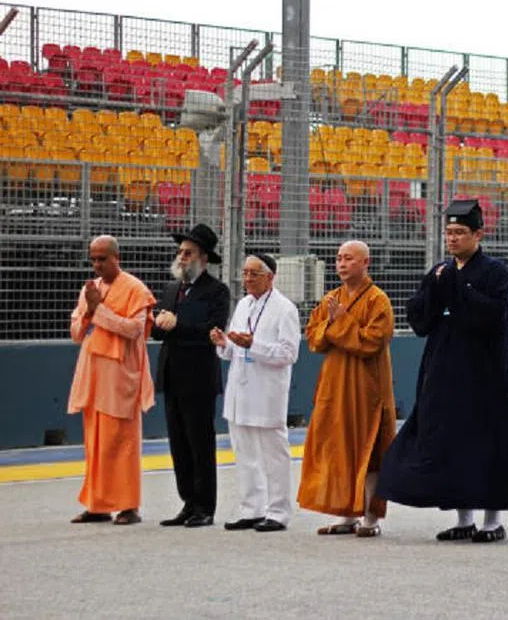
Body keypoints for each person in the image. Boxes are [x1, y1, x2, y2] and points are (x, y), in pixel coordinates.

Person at [379, 200, 508, 543]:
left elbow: (486, 316)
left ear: (478, 235)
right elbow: (420, 318)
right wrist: (437, 290)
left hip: (483, 374)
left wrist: (456, 287)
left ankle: (491, 520)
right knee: (447, 443)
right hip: (443, 372)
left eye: (460, 233)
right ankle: (462, 517)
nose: (453, 239)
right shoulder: (440, 271)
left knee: (486, 444)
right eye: (449, 233)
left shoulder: (495, 273)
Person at [298, 240, 397, 538]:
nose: (341, 263)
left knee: (369, 451)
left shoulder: (378, 300)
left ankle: (369, 516)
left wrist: (339, 324)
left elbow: (372, 341)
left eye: (349, 259)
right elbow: (314, 337)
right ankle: (344, 514)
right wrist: (332, 324)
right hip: (335, 386)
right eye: (339, 258)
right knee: (337, 449)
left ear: (365, 263)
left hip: (367, 390)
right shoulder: (331, 298)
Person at [67, 235, 157, 526]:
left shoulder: (135, 289)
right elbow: (76, 332)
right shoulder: (90, 289)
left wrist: (98, 311)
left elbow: (134, 330)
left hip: (121, 376)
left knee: (122, 441)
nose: (97, 264)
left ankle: (129, 506)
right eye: (93, 259)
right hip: (93, 374)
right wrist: (90, 310)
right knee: (95, 442)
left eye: (103, 258)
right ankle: (98, 504)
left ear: (117, 257)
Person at [211, 253, 300, 533]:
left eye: (254, 274)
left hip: (266, 391)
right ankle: (252, 509)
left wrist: (253, 345)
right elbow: (231, 351)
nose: (247, 279)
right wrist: (223, 343)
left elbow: (288, 353)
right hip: (240, 390)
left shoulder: (284, 309)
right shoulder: (243, 305)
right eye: (245, 273)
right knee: (244, 453)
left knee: (273, 455)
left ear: (270, 277)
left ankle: (278, 511)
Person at [152, 223, 231, 528]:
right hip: (172, 375)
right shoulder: (173, 289)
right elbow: (160, 331)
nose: (182, 257)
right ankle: (187, 501)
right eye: (180, 252)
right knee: (178, 444)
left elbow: (212, 332)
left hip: (198, 377)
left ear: (204, 258)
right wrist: (159, 323)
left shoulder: (216, 292)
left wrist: (177, 325)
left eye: (188, 253)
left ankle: (204, 506)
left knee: (200, 444)